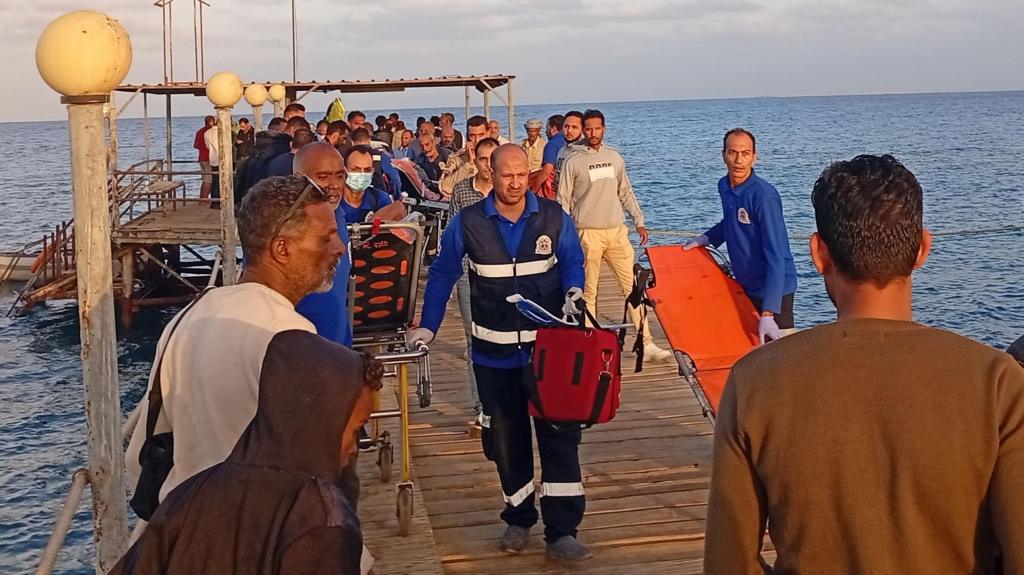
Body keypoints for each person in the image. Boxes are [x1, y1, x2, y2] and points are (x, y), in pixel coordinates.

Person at [703, 154, 1024, 574]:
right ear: (922, 249)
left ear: (819, 253)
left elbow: (728, 562)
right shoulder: (997, 382)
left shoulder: (753, 381)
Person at [409, 144, 593, 563]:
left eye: (520, 174)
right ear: (489, 174)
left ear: (529, 174)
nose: (514, 183)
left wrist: (574, 291)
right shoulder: (467, 223)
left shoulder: (552, 216)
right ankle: (518, 516)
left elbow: (572, 262)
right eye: (505, 175)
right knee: (506, 440)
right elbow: (441, 274)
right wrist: (428, 326)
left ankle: (563, 529)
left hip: (549, 353)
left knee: (560, 438)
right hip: (493, 355)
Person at [125, 175, 346, 517]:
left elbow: (137, 454)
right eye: (325, 238)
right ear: (282, 249)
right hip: (254, 529)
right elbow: (313, 468)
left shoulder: (189, 315)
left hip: (187, 524)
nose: (339, 248)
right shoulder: (289, 334)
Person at [112, 327, 379, 575]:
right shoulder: (325, 522)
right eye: (356, 429)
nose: (355, 448)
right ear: (324, 421)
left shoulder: (192, 491)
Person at [556, 109, 671, 362]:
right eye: (588, 129)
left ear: (604, 129)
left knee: (633, 288)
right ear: (583, 130)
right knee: (589, 292)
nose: (593, 133)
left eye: (597, 128)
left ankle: (646, 341)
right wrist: (564, 235)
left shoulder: (614, 158)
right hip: (587, 233)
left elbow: (625, 191)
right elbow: (562, 201)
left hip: (617, 232)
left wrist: (639, 221)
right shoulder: (573, 161)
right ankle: (591, 344)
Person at [684, 128, 798, 343]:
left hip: (775, 288)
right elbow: (731, 221)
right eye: (732, 152)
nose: (738, 160)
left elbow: (777, 256)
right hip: (746, 283)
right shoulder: (723, 186)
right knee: (749, 351)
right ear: (723, 155)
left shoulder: (764, 197)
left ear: (754, 157)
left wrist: (768, 313)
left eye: (745, 153)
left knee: (783, 355)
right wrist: (706, 239)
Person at [448, 137, 500, 427]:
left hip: (505, 279)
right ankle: (482, 407)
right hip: (469, 276)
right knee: (474, 342)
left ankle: (507, 402)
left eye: (493, 160)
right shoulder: (462, 191)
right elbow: (454, 236)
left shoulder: (509, 193)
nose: (488, 166)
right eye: (483, 159)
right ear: (475, 160)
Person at [337, 145, 406, 224]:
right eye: (356, 169)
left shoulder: (380, 199)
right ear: (344, 171)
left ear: (372, 172)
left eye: (367, 170)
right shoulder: (333, 201)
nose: (362, 174)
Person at [438, 115, 489, 196]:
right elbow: (445, 188)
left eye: (481, 135)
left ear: (488, 133)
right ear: (467, 136)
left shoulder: (499, 155)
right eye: (472, 135)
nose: (477, 140)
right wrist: (468, 164)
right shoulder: (457, 158)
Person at [349, 128, 403, 200]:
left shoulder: (348, 157)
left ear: (352, 142)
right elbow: (394, 178)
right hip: (378, 196)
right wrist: (397, 196)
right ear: (369, 140)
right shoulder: (381, 156)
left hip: (355, 198)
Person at [530, 114, 564, 198]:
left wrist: (533, 190)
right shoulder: (570, 142)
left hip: (554, 189)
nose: (546, 132)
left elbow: (547, 170)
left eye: (547, 129)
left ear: (553, 129)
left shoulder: (552, 144)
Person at [551, 111, 585, 193]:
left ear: (583, 129)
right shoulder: (562, 150)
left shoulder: (584, 153)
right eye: (566, 126)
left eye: (574, 127)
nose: (569, 130)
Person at [194, 115, 215, 201]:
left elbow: (196, 145)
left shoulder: (199, 131)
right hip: (208, 158)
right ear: (211, 122)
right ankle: (204, 200)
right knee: (209, 180)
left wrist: (202, 148)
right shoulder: (210, 131)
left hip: (201, 158)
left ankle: (201, 198)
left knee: (204, 179)